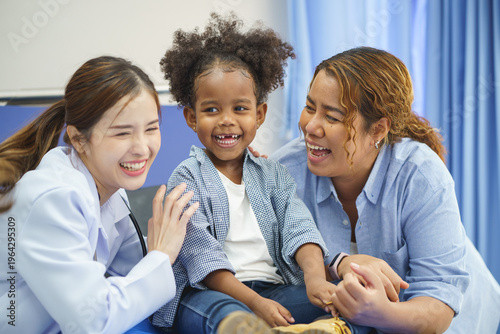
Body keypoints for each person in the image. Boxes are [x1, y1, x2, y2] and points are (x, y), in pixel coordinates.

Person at [151, 13, 356, 334]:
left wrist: (316, 280)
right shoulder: (187, 178)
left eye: (240, 108)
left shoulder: (273, 174)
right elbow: (202, 260)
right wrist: (255, 304)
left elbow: (299, 229)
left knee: (348, 302)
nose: (227, 120)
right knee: (217, 312)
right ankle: (249, 327)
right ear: (191, 117)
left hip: (273, 290)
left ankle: (319, 327)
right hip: (211, 292)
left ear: (260, 114)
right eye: (211, 109)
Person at [271, 46, 500, 333]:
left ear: (378, 130)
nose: (310, 126)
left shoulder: (420, 175)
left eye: (332, 117)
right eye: (309, 107)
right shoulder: (283, 173)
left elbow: (439, 302)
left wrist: (382, 313)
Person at [0, 56, 199, 333]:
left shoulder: (111, 191)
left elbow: (131, 272)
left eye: (151, 128)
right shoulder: (53, 199)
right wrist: (162, 255)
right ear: (79, 139)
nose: (142, 148)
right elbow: (93, 321)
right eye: (122, 133)